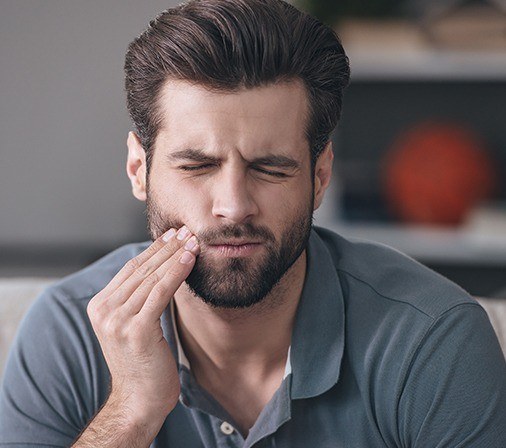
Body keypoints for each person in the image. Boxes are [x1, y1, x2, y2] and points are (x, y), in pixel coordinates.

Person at [1, 0, 505, 446]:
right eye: (196, 165)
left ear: (320, 175)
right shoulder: (68, 331)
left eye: (270, 168)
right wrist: (131, 413)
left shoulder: (432, 340)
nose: (234, 205)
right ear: (139, 170)